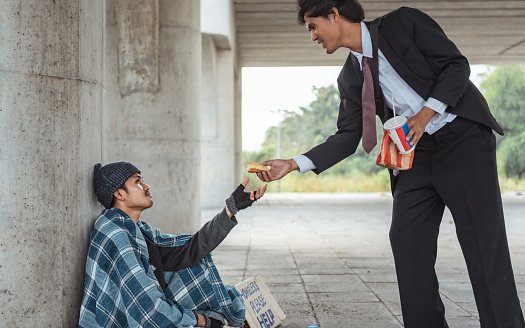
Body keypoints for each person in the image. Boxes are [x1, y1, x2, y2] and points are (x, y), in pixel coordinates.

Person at [256, 1, 525, 327]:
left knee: (484, 245)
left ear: (334, 14)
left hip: (462, 140)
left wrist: (426, 113)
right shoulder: (350, 77)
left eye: (313, 26)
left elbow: (456, 66)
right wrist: (294, 163)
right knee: (406, 240)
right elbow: (347, 136)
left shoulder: (403, 23)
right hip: (417, 156)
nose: (312, 36)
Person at [79, 161, 267, 328]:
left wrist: (231, 208)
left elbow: (189, 250)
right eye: (137, 181)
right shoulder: (116, 235)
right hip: (128, 321)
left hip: (151, 313)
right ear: (119, 193)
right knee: (222, 309)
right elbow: (148, 309)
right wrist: (200, 320)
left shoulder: (138, 230)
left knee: (225, 296)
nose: (146, 186)